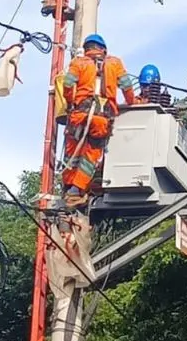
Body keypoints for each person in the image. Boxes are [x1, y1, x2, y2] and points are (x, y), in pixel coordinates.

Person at [59, 33, 138, 209]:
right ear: (103, 49)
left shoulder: (79, 63)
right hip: (101, 118)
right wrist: (131, 102)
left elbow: (68, 84)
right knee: (91, 156)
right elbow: (126, 86)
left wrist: (71, 102)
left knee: (72, 154)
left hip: (80, 114)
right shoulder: (114, 63)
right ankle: (77, 190)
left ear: (87, 49)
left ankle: (68, 188)